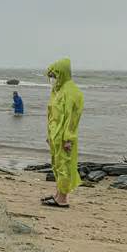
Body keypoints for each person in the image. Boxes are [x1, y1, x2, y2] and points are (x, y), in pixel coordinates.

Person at [42, 58, 84, 208]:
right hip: (55, 135)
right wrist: (49, 135)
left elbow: (73, 118)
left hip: (64, 137)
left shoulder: (72, 92)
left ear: (63, 73)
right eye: (51, 76)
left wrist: (68, 138)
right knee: (57, 165)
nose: (53, 79)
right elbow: (53, 114)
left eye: (55, 75)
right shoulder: (57, 91)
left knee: (65, 165)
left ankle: (63, 199)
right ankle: (58, 194)